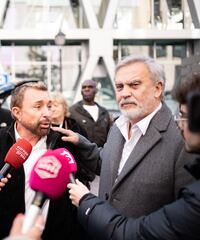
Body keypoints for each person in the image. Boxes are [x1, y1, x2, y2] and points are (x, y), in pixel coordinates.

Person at [53, 55, 195, 218]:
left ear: (158, 89)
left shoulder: (183, 138)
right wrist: (80, 142)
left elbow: (185, 218)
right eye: (119, 87)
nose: (125, 93)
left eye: (134, 85)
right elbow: (107, 165)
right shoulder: (118, 126)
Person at [0, 82, 97, 240]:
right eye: (38, 106)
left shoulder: (66, 143)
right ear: (17, 112)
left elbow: (83, 189)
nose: (47, 113)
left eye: (49, 105)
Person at [69, 79, 112, 147]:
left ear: (96, 90)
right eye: (84, 87)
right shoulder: (72, 111)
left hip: (102, 155)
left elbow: (110, 136)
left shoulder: (104, 112)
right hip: (81, 155)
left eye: (90, 87)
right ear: (81, 91)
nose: (87, 89)